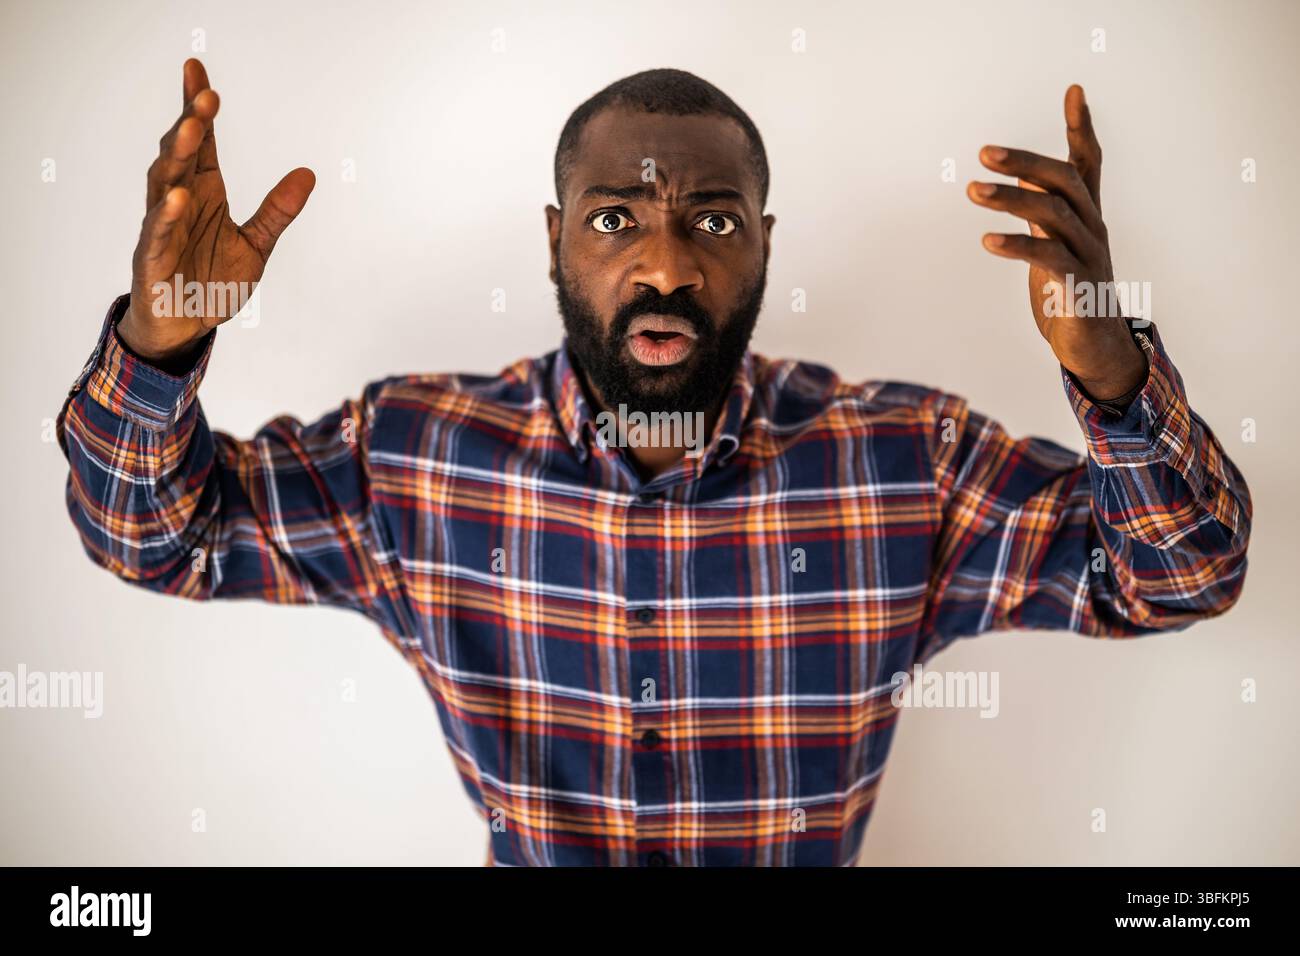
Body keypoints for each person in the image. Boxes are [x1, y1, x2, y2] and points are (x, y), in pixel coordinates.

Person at [56, 59, 1251, 867]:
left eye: (714, 219)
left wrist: (1111, 367)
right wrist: (167, 335)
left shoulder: (906, 463)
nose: (667, 264)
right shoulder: (413, 458)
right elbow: (158, 538)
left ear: (766, 243)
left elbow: (1180, 574)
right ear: (554, 237)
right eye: (616, 216)